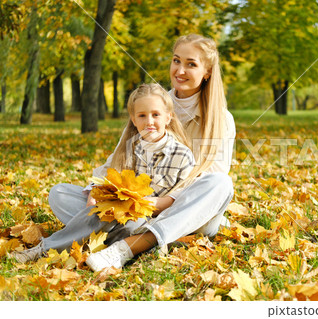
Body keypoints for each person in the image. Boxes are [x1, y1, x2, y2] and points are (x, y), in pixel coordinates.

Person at [85, 34, 236, 271]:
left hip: (186, 207)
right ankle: (164, 234)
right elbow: (118, 158)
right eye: (176, 61)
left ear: (207, 72)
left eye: (191, 64)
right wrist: (96, 190)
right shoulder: (151, 105)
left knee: (221, 183)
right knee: (62, 194)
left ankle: (128, 246)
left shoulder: (222, 120)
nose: (180, 70)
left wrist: (161, 204)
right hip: (141, 206)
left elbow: (208, 179)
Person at [12, 83, 195, 263]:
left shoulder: (182, 155)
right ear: (133, 119)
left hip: (148, 221)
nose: (149, 122)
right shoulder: (129, 146)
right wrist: (95, 197)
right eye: (142, 115)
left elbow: (177, 201)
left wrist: (132, 206)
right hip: (115, 213)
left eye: (156, 115)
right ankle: (111, 240)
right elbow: (104, 176)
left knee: (129, 223)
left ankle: (46, 248)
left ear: (168, 117)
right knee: (59, 193)